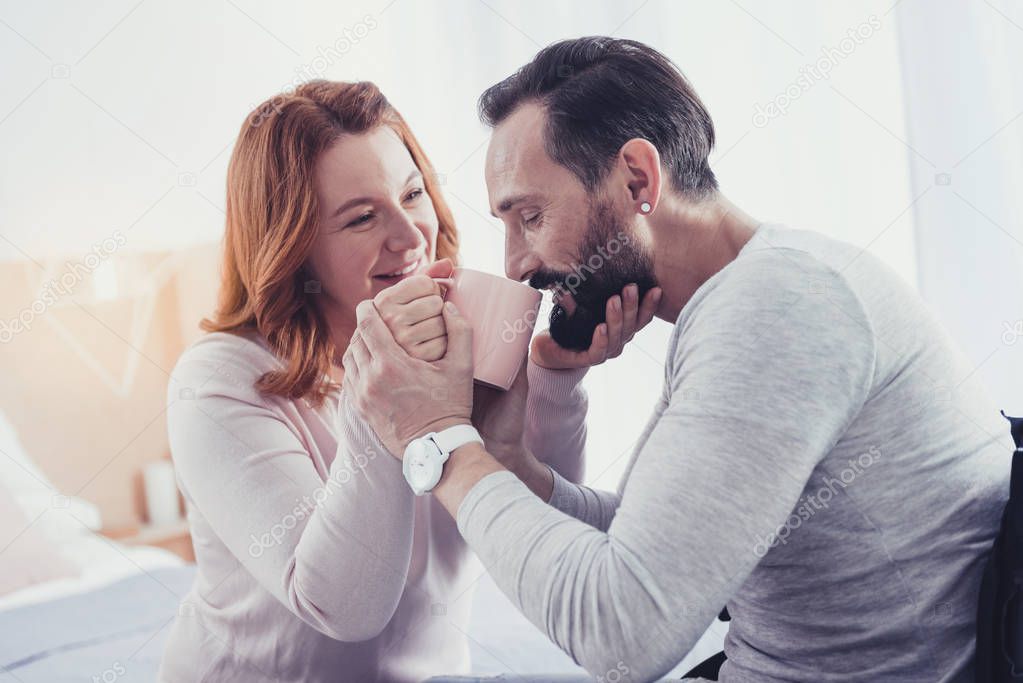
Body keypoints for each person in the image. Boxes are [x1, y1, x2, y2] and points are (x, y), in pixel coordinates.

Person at [344, 37, 1012, 682]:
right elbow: (649, 549)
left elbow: (622, 636)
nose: (515, 263)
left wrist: (438, 440)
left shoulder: (777, 308)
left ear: (637, 177)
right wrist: (506, 458)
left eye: (530, 216)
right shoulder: (755, 290)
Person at [160, 79, 657, 682]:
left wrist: (554, 380)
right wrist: (385, 412)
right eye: (362, 217)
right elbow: (341, 609)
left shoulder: (463, 328)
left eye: (413, 193)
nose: (411, 235)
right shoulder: (219, 381)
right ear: (292, 248)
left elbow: (540, 537)